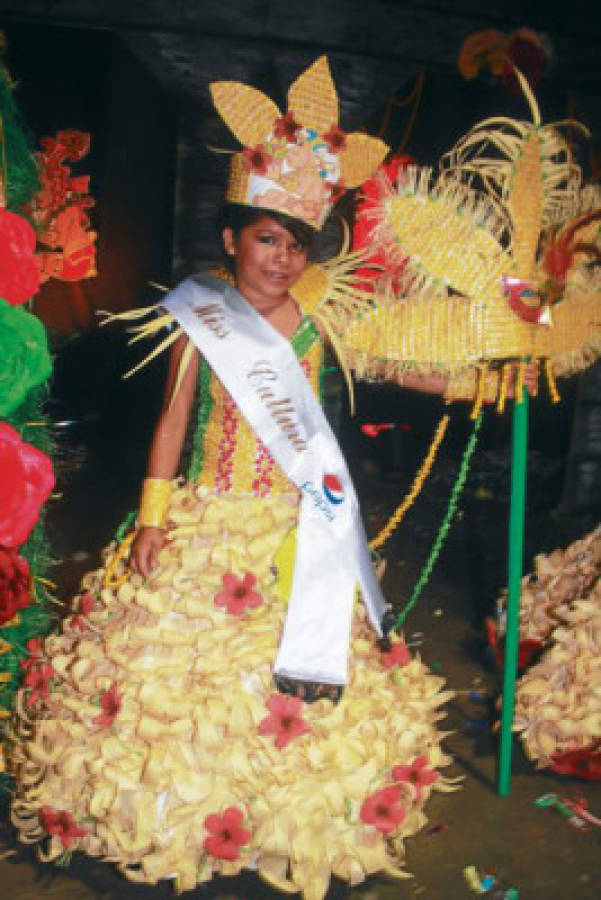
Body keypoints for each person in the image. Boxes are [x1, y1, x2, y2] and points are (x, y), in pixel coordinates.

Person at [8, 58, 462, 898]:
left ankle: (286, 827)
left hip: (297, 523)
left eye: (294, 244)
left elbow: (401, 365)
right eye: (265, 239)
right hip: (202, 520)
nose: (281, 259)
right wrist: (150, 521)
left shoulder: (324, 323)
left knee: (302, 670)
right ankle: (176, 821)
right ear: (230, 239)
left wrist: (484, 376)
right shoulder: (198, 319)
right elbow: (173, 423)